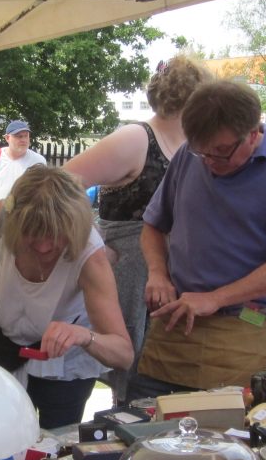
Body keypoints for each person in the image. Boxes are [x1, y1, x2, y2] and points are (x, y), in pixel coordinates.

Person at [129, 81, 266, 397]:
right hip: (176, 322)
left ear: (253, 133)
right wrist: (157, 273)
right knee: (143, 421)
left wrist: (215, 298)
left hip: (246, 325)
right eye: (202, 150)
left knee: (232, 428)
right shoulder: (188, 156)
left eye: (221, 151)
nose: (209, 161)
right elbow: (153, 226)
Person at [64, 56, 211, 404]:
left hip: (171, 276)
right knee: (130, 373)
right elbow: (57, 185)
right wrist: (93, 242)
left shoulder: (193, 145)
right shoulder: (136, 138)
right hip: (130, 272)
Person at [0, 166, 132, 429]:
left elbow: (123, 353)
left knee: (55, 442)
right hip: (2, 347)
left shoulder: (91, 256)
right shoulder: (1, 217)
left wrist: (83, 336)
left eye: (55, 237)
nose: (44, 247)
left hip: (64, 367)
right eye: (31, 236)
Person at [0, 120, 46, 244]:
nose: (23, 140)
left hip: (25, 223)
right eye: (19, 136)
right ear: (7, 138)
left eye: (26, 136)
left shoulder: (38, 161)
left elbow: (44, 193)